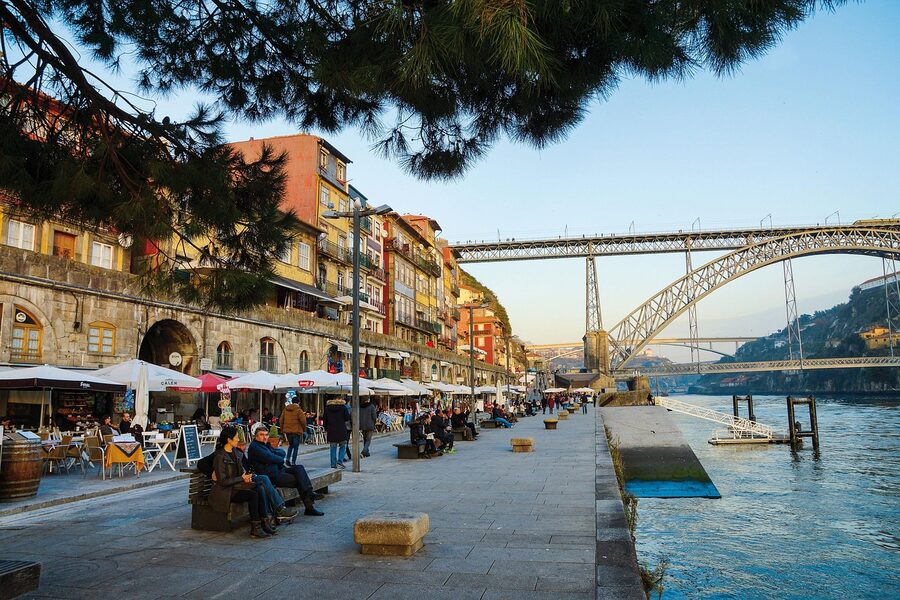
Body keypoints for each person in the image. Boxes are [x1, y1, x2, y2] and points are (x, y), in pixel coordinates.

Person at [209, 425, 276, 538]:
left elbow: (240, 472)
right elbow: (223, 482)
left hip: (236, 486)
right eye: (236, 437)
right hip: (225, 492)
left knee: (259, 487)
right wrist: (242, 478)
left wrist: (246, 477)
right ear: (229, 440)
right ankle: (256, 527)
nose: (238, 439)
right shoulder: (220, 456)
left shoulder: (236, 452)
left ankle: (264, 522)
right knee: (253, 495)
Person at [246, 426, 324, 516]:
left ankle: (310, 493)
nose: (265, 437)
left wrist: (275, 456)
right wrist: (277, 457)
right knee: (300, 480)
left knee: (299, 468)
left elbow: (282, 452)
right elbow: (272, 458)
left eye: (266, 435)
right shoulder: (255, 447)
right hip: (271, 476)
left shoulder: (265, 445)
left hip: (279, 470)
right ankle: (309, 507)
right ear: (255, 436)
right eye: (261, 435)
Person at [323, 398, 349, 468]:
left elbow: (325, 420)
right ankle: (340, 461)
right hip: (341, 430)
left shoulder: (327, 409)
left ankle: (333, 464)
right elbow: (347, 418)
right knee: (343, 446)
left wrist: (326, 428)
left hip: (331, 430)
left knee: (333, 448)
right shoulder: (343, 407)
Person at [280, 399, 307, 466]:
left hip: (288, 431)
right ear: (298, 402)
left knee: (290, 445)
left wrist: (282, 429)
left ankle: (287, 459)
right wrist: (304, 429)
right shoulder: (299, 410)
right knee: (295, 447)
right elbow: (303, 421)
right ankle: (293, 462)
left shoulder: (285, 410)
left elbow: (281, 420)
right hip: (296, 431)